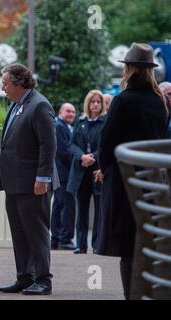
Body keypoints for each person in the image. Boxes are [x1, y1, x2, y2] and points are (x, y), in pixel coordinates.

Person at [95, 43, 169, 299]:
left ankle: (132, 295)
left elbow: (107, 141)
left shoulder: (122, 100)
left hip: (124, 179)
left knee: (127, 246)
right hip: (153, 179)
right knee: (148, 241)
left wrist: (103, 168)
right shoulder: (159, 101)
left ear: (130, 68)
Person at [0, 63, 58, 295]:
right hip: (14, 183)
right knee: (19, 233)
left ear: (19, 82)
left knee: (37, 233)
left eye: (5, 83)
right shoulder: (17, 105)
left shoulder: (40, 105)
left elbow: (48, 145)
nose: (3, 87)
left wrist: (42, 178)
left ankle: (44, 280)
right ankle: (25, 277)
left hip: (35, 184)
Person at [67, 90, 106, 254]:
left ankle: (97, 244)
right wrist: (81, 156)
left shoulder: (105, 122)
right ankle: (80, 245)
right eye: (93, 102)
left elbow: (106, 145)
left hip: (97, 170)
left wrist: (93, 157)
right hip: (81, 170)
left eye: (98, 102)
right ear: (88, 104)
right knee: (81, 208)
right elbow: (71, 144)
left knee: (99, 209)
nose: (96, 105)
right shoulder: (80, 122)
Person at [51, 103, 76, 250]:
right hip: (63, 173)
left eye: (73, 112)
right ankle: (64, 239)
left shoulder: (63, 126)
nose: (71, 114)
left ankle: (56, 239)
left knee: (59, 205)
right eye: (68, 111)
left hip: (60, 172)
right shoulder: (59, 126)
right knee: (66, 206)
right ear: (60, 112)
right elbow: (64, 151)